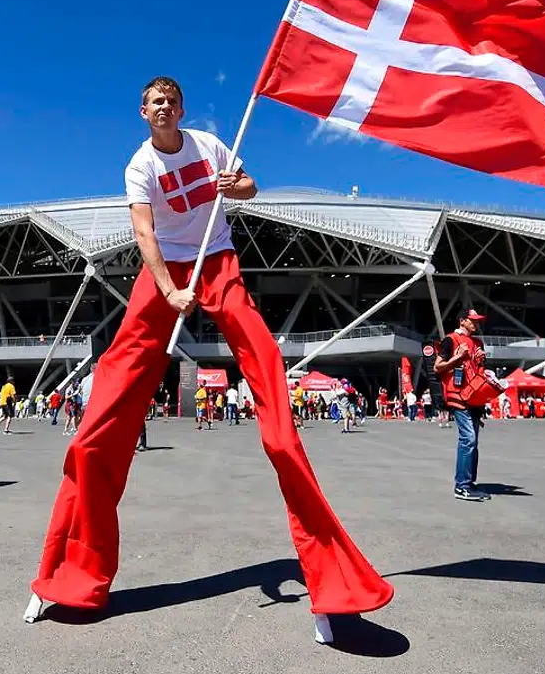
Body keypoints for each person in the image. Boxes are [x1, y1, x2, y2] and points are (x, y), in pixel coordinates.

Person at [25, 76, 391, 641]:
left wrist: (235, 186)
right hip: (163, 270)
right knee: (102, 416)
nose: (163, 108)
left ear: (181, 108)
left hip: (216, 259)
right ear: (143, 112)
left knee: (266, 362)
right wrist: (168, 292)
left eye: (171, 101)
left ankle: (330, 579)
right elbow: (143, 233)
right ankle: (66, 573)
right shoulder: (139, 166)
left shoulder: (207, 144)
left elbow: (249, 185)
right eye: (154, 102)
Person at [434, 309, 492, 501]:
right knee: (468, 439)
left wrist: (481, 360)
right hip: (458, 395)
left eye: (478, 321)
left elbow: (478, 370)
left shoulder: (477, 343)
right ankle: (462, 486)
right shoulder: (450, 340)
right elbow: (437, 367)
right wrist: (456, 359)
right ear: (462, 321)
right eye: (472, 320)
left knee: (473, 441)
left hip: (475, 396)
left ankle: (469, 483)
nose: (476, 324)